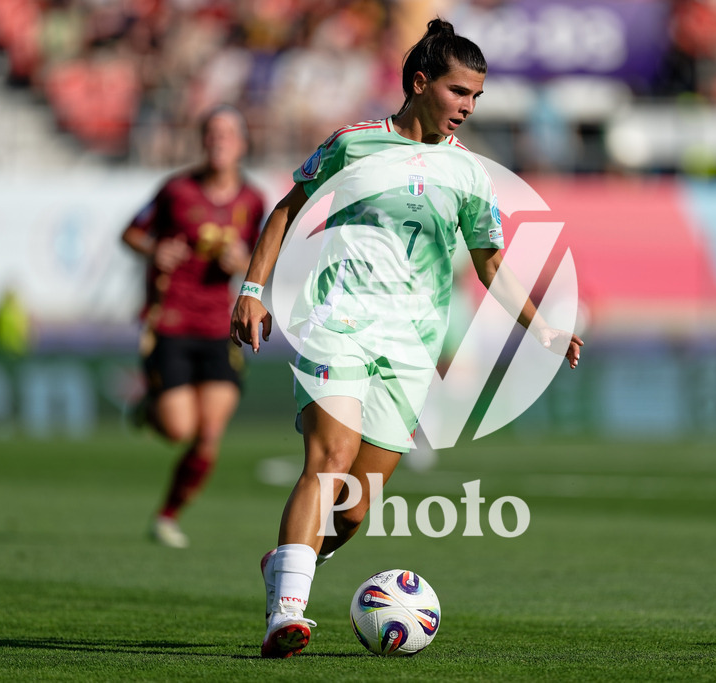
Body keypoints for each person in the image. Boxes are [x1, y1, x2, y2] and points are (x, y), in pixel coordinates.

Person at [229, 19, 583, 658]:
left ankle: (284, 562)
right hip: (338, 323)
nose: (468, 108)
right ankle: (286, 611)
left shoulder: (472, 176)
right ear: (420, 83)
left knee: (357, 509)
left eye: (476, 96)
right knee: (329, 462)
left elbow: (490, 264)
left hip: (410, 347)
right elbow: (287, 210)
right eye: (458, 92)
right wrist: (253, 289)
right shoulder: (353, 145)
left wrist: (543, 327)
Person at [122, 104, 266, 549]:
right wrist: (155, 251)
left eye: (228, 133)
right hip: (171, 321)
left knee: (208, 436)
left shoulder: (252, 200)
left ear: (241, 144)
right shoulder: (177, 190)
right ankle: (149, 408)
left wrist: (240, 263)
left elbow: (256, 257)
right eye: (212, 133)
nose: (219, 140)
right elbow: (131, 232)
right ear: (203, 142)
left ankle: (168, 516)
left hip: (218, 328)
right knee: (178, 429)